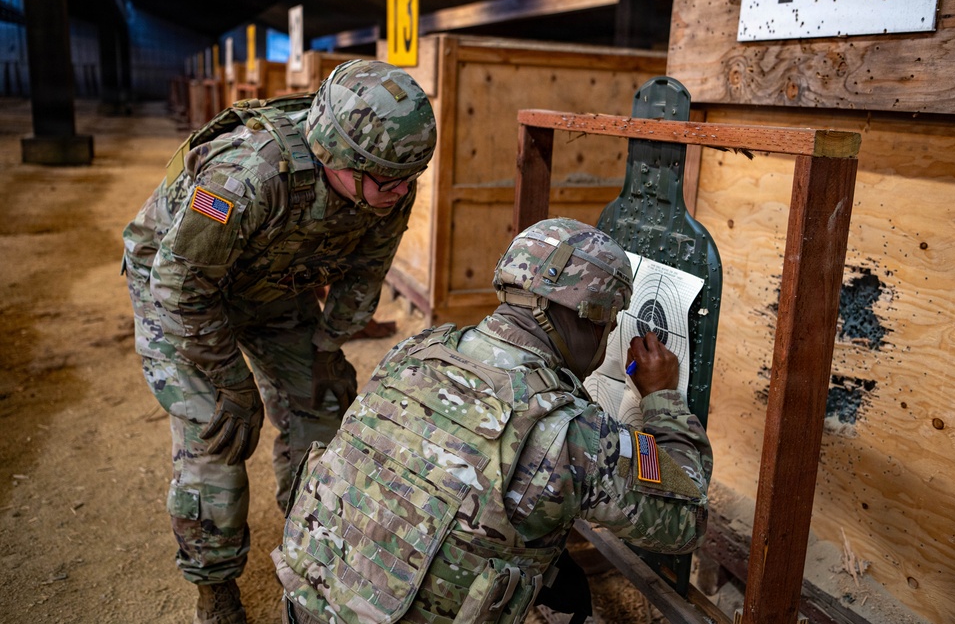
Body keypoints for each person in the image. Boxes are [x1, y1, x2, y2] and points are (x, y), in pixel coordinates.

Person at [272, 217, 713, 624]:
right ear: (591, 319)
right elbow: (685, 518)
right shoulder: (570, 433)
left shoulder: (417, 349)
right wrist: (663, 399)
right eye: (612, 321)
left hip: (307, 603)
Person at [122, 59, 437, 624]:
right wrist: (232, 383)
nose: (398, 193)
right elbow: (181, 284)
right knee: (216, 432)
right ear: (337, 155)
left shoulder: (390, 178)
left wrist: (325, 348)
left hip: (268, 281)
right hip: (180, 286)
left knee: (324, 403)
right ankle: (214, 587)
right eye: (386, 181)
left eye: (408, 180)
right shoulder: (246, 175)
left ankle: (306, 540)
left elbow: (363, 274)